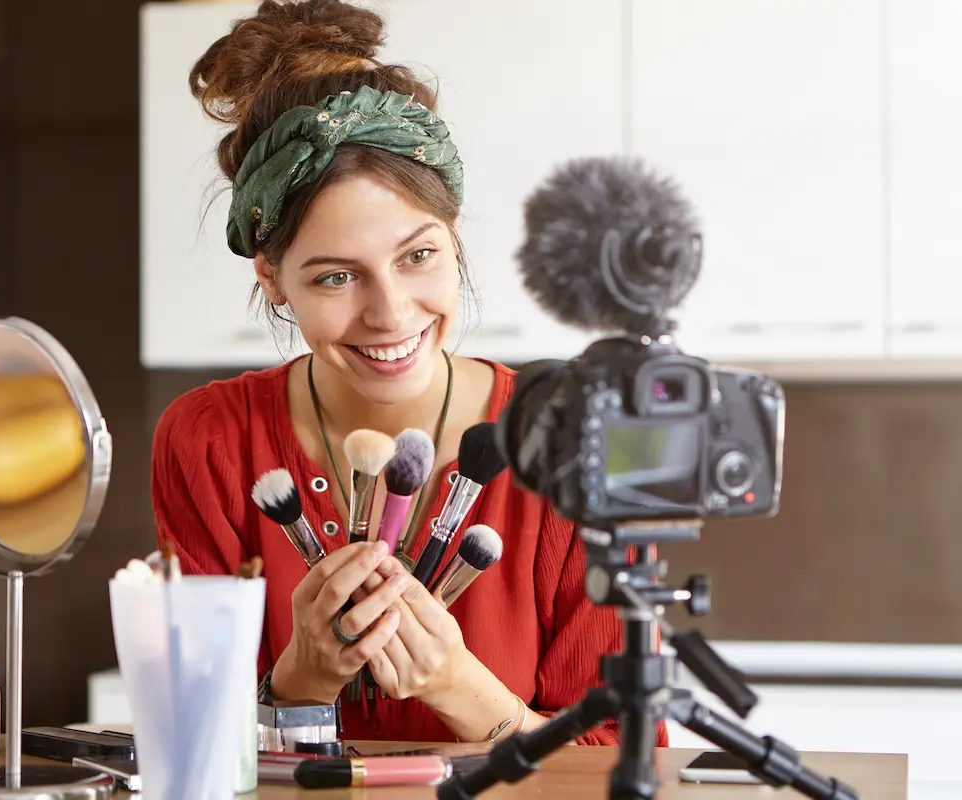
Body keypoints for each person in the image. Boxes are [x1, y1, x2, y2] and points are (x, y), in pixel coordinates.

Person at [151, 0, 669, 747]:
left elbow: (631, 757)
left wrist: (456, 685)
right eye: (335, 278)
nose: (391, 314)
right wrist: (304, 676)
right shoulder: (209, 441)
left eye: (417, 255)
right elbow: (185, 748)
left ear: (452, 237)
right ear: (271, 276)